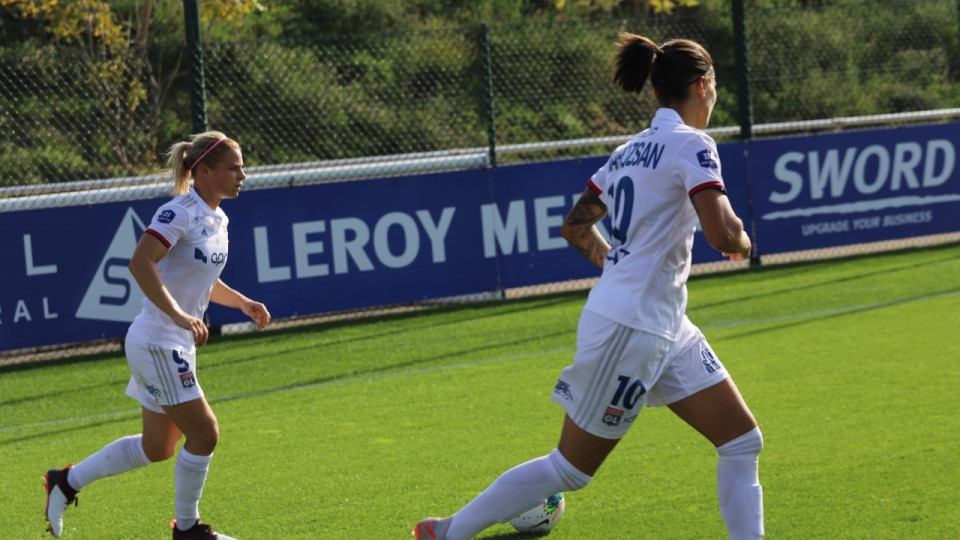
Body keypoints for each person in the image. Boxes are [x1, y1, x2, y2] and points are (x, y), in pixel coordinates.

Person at [413, 34, 763, 540]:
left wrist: (618, 267)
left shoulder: (629, 151)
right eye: (714, 87)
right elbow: (722, 233)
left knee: (741, 440)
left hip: (661, 322)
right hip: (633, 326)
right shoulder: (693, 144)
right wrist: (742, 240)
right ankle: (448, 531)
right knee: (570, 470)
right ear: (703, 85)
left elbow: (576, 227)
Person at [43, 131, 271, 540]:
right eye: (233, 167)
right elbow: (140, 263)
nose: (243, 174)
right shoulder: (179, 211)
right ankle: (188, 530)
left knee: (159, 447)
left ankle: (65, 481)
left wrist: (242, 303)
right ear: (203, 171)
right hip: (158, 341)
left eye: (242, 166)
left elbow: (202, 279)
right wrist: (181, 315)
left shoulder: (218, 218)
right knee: (205, 433)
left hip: (172, 342)